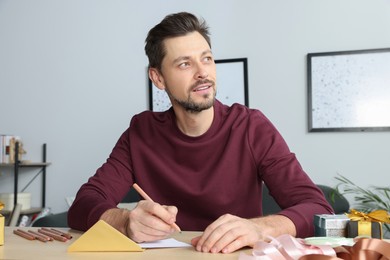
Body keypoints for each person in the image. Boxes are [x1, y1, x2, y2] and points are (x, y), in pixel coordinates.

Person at [68, 12, 333, 254]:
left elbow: (318, 209)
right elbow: (83, 205)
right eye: (184, 64)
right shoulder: (141, 132)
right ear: (158, 78)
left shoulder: (252, 127)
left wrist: (260, 229)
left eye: (206, 58)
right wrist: (125, 222)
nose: (202, 72)